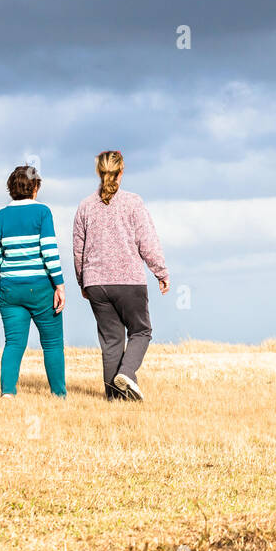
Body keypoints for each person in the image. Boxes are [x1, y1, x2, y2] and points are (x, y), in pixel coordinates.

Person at [72, 150, 169, 401]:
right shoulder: (133, 202)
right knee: (141, 331)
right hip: (129, 280)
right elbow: (147, 241)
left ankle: (115, 399)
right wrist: (161, 272)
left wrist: (83, 281)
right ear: (121, 171)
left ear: (98, 172)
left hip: (96, 283)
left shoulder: (84, 206)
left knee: (111, 341)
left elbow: (78, 249)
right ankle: (127, 373)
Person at [0, 165, 66, 398]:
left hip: (10, 289)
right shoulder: (43, 212)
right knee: (52, 343)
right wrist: (59, 285)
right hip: (41, 287)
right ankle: (58, 395)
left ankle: (8, 394)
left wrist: (8, 276)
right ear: (35, 188)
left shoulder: (1, 216)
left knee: (13, 343)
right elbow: (49, 251)